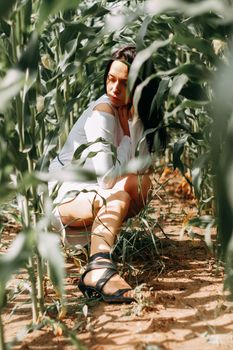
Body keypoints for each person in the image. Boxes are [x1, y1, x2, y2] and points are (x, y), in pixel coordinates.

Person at [48, 45, 153, 303]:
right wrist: (127, 139)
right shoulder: (102, 112)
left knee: (141, 184)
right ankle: (99, 267)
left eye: (124, 83)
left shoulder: (136, 117)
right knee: (124, 185)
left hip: (96, 196)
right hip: (65, 198)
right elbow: (107, 179)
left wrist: (132, 128)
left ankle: (97, 259)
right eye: (110, 79)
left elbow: (142, 169)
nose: (115, 89)